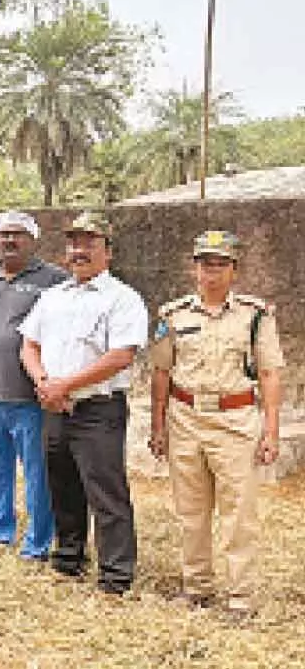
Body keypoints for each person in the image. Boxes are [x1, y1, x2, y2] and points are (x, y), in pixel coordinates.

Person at [148, 231, 284, 617]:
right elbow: (161, 372)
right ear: (194, 268)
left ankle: (240, 596)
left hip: (235, 421)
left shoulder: (255, 316)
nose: (212, 271)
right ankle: (197, 588)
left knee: (239, 512)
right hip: (186, 418)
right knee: (191, 511)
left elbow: (270, 374)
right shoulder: (173, 315)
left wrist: (271, 432)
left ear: (234, 270)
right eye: (205, 263)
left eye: (220, 263)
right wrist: (158, 427)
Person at [19, 211, 148, 595]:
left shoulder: (122, 299)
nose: (80, 250)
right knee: (62, 485)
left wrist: (66, 386)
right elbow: (29, 344)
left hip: (97, 411)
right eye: (74, 243)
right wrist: (44, 382)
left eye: (89, 243)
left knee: (106, 493)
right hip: (55, 408)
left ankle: (116, 575)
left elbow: (120, 356)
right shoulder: (52, 296)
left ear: (108, 251)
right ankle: (69, 558)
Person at [0, 211, 67, 559]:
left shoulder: (53, 280)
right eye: (3, 234)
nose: (9, 241)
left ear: (32, 239)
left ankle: (37, 543)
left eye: (17, 235)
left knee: (37, 474)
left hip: (29, 397)